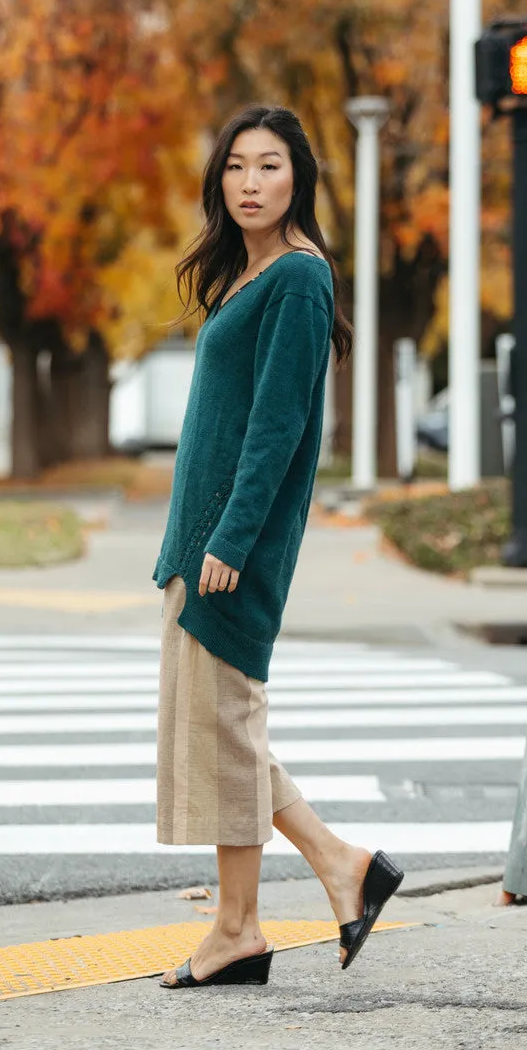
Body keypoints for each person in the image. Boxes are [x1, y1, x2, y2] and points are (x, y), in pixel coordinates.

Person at [152, 104, 403, 990]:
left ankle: (242, 925)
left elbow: (279, 424)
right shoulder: (252, 275)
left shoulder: (298, 277)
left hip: (234, 546)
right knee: (227, 734)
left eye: (268, 167)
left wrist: (231, 535)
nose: (250, 183)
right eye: (235, 168)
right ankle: (329, 874)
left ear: (299, 176)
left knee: (229, 730)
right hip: (205, 542)